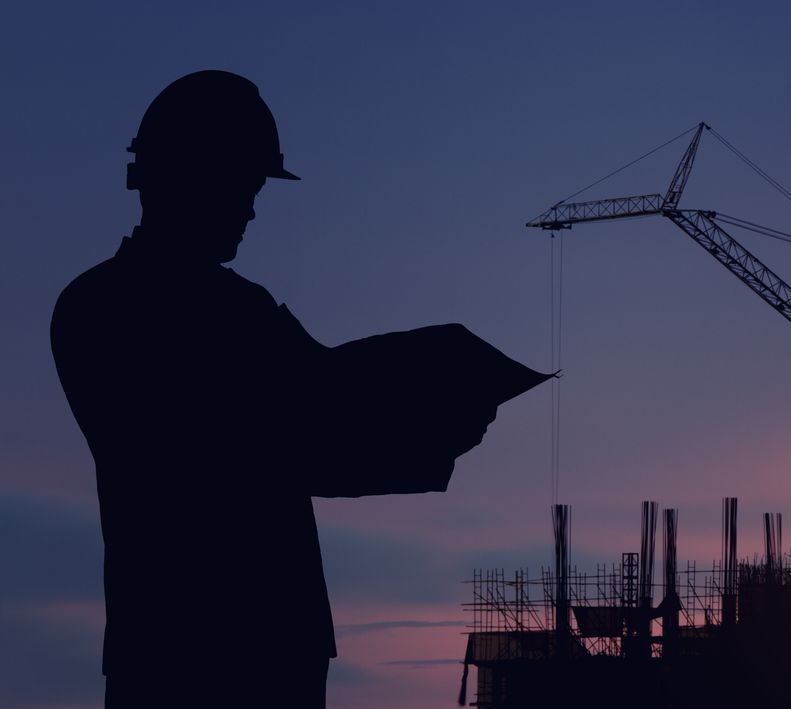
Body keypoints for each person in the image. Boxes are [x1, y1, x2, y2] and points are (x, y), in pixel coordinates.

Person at [50, 70, 547, 707]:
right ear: (184, 178)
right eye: (240, 188)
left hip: (224, 640)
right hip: (210, 645)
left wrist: (428, 418)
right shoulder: (133, 309)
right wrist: (435, 416)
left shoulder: (155, 305)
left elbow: (308, 412)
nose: (251, 210)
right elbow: (277, 441)